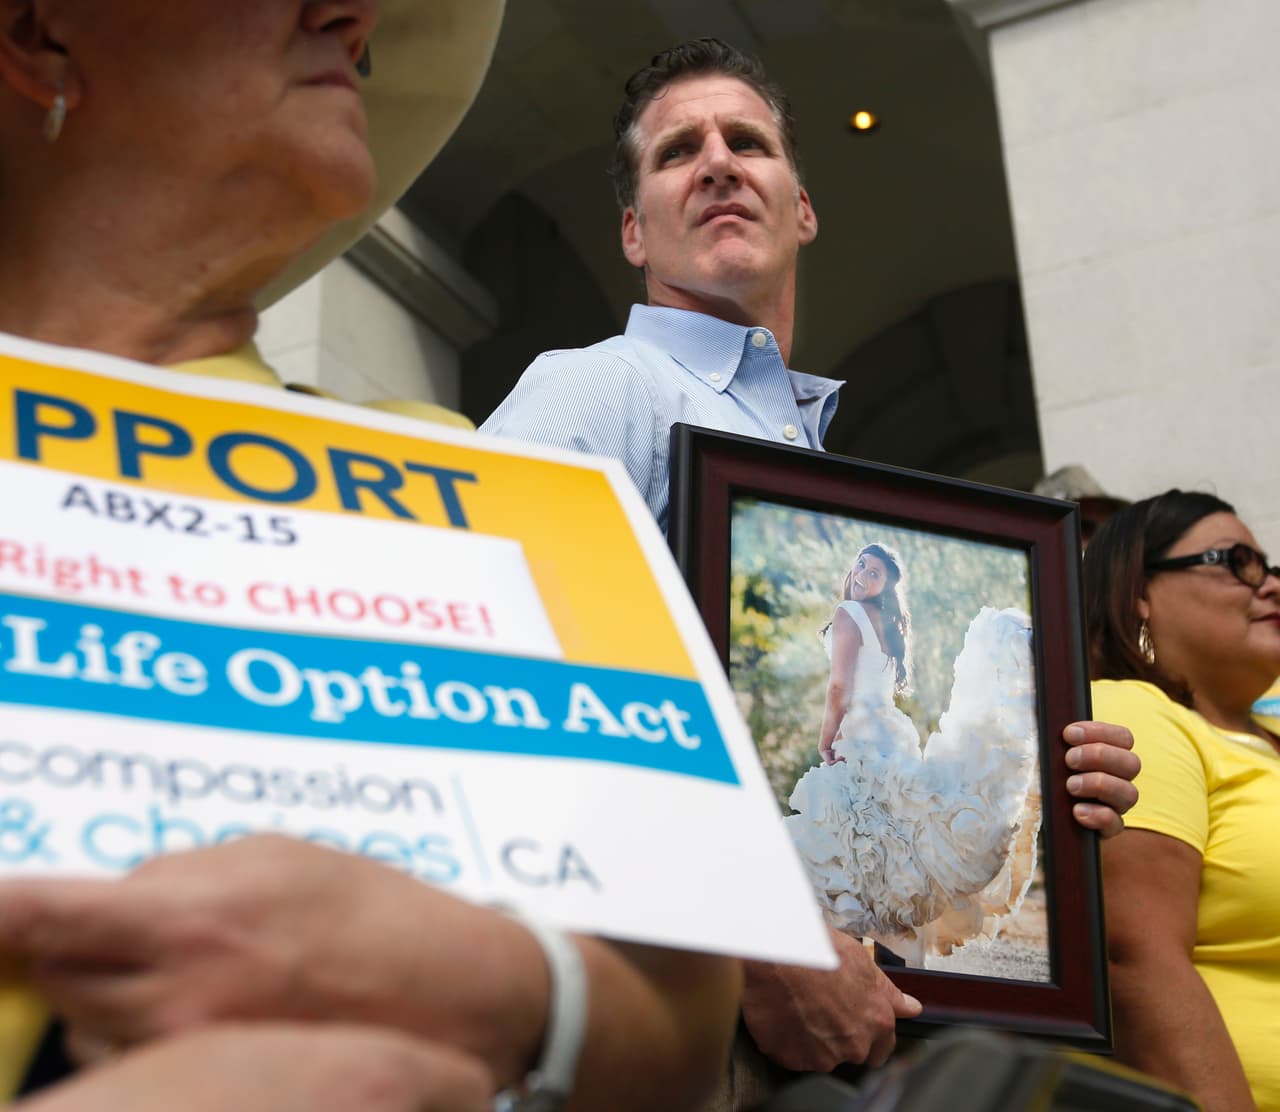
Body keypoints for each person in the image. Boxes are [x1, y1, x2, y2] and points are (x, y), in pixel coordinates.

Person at [0, 3, 741, 1108]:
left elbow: (686, 1002)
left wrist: (509, 984)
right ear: (39, 35)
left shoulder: (492, 482)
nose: (355, 15)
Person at [480, 37, 1141, 1105]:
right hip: (676, 1006)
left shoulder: (799, 464)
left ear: (801, 206)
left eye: (746, 141)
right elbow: (482, 656)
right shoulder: (600, 385)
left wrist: (1047, 786)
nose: (716, 161)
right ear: (632, 230)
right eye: (675, 151)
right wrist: (755, 940)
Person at [1086, 490, 1280, 1112]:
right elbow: (1136, 960)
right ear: (1139, 591)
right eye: (1237, 562)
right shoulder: (1133, 713)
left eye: (1269, 565)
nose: (1270, 584)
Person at [786, 546, 1040, 965]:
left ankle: (846, 965)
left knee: (845, 848)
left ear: (887, 585)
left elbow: (838, 690)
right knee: (890, 851)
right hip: (890, 736)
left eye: (876, 573)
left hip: (860, 739)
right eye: (862, 565)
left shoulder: (848, 611)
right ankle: (896, 961)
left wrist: (825, 738)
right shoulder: (889, 624)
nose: (864, 575)